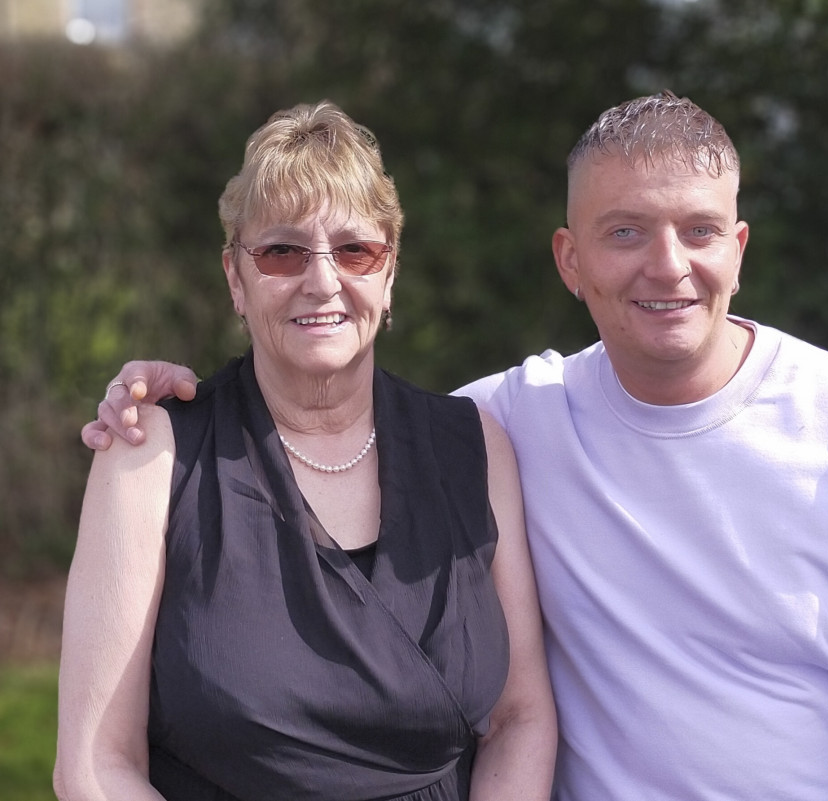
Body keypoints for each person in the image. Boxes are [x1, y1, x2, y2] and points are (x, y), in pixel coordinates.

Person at [82, 91, 828, 800]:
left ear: (741, 247)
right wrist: (151, 395)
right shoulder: (512, 421)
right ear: (570, 259)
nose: (667, 264)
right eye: (625, 231)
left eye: (700, 230)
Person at [56, 100, 557, 801]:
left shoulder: (474, 446)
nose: (321, 280)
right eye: (282, 251)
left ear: (389, 275)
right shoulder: (150, 453)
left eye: (355, 249)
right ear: (236, 277)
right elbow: (93, 766)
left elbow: (520, 718)